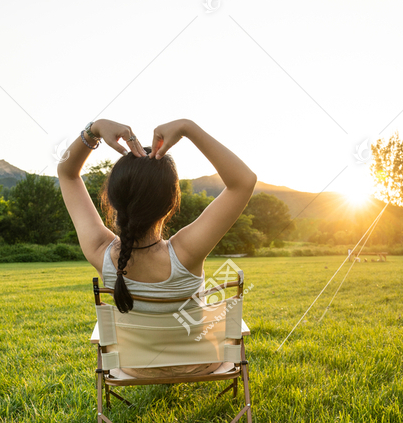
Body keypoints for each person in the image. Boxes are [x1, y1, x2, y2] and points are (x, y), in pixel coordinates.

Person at [58, 117, 257, 376]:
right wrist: (187, 128)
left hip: (135, 368)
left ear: (112, 199)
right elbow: (243, 181)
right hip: (199, 364)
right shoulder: (186, 252)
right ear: (171, 202)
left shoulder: (100, 251)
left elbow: (67, 173)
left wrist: (93, 130)